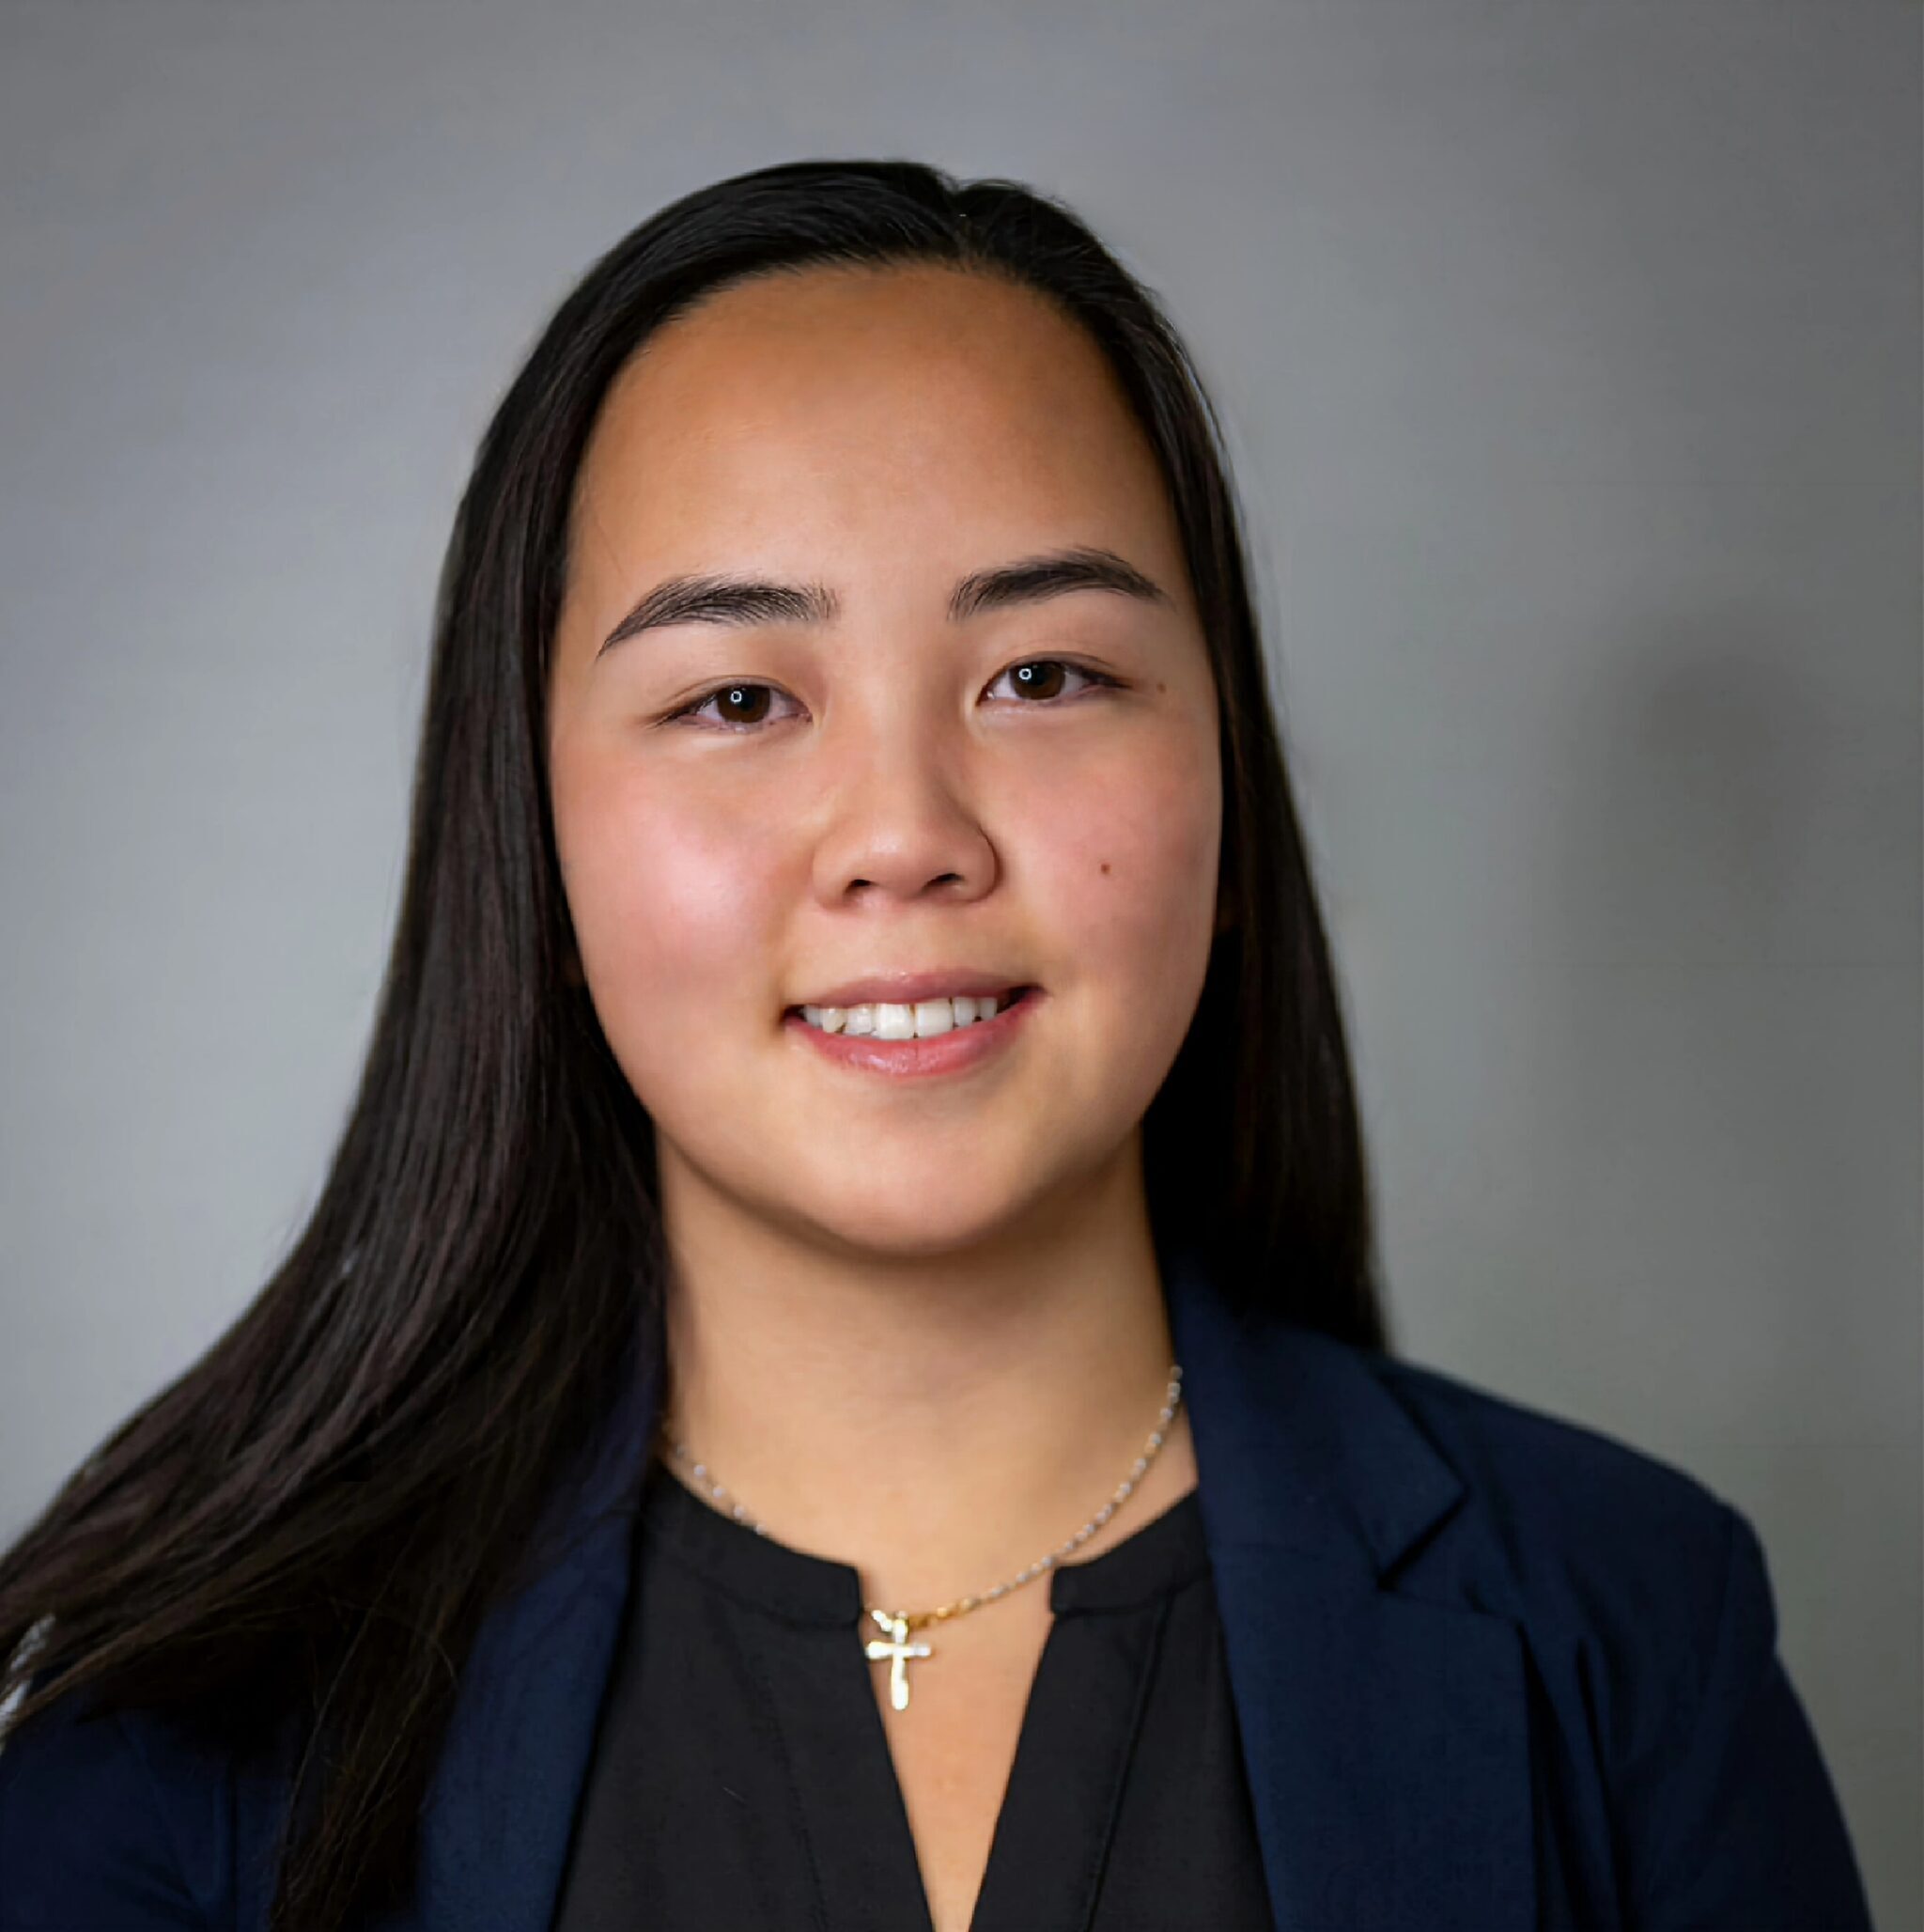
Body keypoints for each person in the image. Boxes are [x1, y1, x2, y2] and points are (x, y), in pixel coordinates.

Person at [0, 158, 1872, 1932]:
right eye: (737, 695)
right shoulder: (182, 1755)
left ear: (1229, 795)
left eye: (1042, 676)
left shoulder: (1626, 1634)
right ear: (532, 838)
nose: (905, 830)